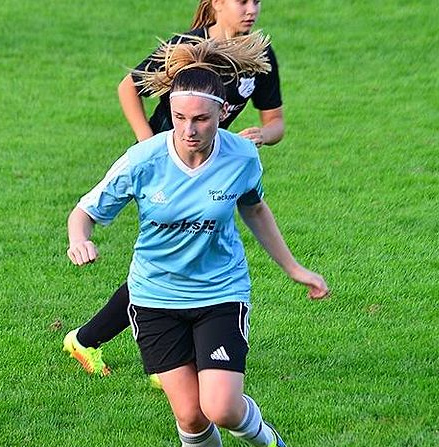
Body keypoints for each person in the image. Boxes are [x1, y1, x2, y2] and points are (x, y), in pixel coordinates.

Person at [66, 35, 329, 447]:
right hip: (155, 299)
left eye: (201, 119)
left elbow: (254, 208)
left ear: (223, 113)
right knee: (190, 415)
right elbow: (84, 211)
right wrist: (79, 239)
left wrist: (294, 268)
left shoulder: (241, 157)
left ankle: (269, 444)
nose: (188, 129)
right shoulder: (144, 160)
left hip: (220, 293)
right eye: (180, 117)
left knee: (221, 407)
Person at [64, 0, 284, 381]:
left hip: (206, 167)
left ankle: (100, 341)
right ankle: (131, 348)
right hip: (163, 170)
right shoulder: (186, 48)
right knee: (166, 262)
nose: (251, 9)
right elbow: (128, 86)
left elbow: (276, 122)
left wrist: (262, 134)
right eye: (241, 0)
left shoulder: (257, 55)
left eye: (256, 0)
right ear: (216, 3)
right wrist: (147, 142)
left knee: (175, 260)